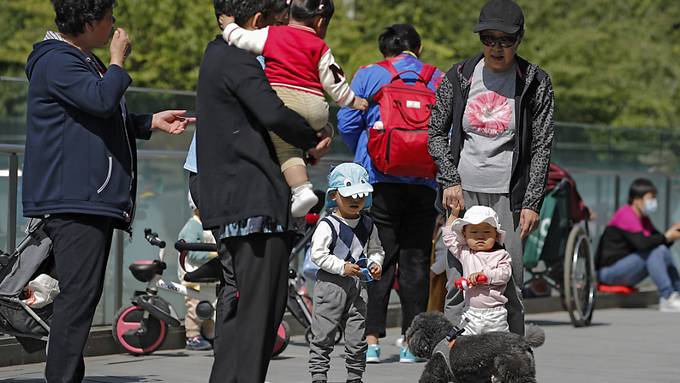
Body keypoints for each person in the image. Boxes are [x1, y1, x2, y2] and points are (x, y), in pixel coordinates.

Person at [22, 1, 192, 381]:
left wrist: (150, 122)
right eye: (108, 18)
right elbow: (101, 101)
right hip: (74, 199)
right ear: (88, 22)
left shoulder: (78, 60)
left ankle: (67, 375)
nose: (114, 24)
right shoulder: (57, 61)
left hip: (86, 198)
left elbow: (99, 116)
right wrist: (118, 60)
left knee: (80, 296)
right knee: (78, 298)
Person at [195, 0, 331, 381]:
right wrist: (310, 139)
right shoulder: (237, 59)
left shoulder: (217, 55)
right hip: (253, 203)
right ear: (257, 21)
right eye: (277, 24)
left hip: (236, 202)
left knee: (245, 314)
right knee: (261, 315)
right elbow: (272, 112)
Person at [428, 0, 555, 336]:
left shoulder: (534, 81)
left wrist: (531, 202)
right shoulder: (459, 76)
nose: (496, 48)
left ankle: (512, 361)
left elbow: (542, 145)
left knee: (510, 285)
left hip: (509, 196)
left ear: (520, 39)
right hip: (463, 193)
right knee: (458, 282)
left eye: (506, 40)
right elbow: (435, 132)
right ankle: (454, 359)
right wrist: (450, 179)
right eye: (488, 39)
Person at [337, 23, 444, 364]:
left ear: (385, 50)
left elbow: (347, 123)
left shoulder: (370, 75)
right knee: (415, 261)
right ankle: (412, 345)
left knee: (377, 257)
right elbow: (449, 130)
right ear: (419, 48)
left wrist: (367, 154)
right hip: (425, 182)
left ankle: (370, 342)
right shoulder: (437, 78)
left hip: (379, 181)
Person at [220, 0, 368, 218]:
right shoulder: (321, 47)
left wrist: (229, 26)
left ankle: (301, 189)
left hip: (285, 101)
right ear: (319, 22)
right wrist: (353, 101)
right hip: (316, 105)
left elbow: (242, 39)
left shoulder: (272, 34)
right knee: (318, 127)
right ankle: (314, 144)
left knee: (286, 147)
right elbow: (334, 82)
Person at [308, 163, 384, 383]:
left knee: (357, 336)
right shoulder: (328, 224)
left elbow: (376, 249)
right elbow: (318, 255)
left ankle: (355, 377)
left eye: (361, 195)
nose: (355, 200)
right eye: (349, 195)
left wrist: (375, 263)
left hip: (359, 286)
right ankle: (319, 376)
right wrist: (342, 267)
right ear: (334, 195)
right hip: (331, 285)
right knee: (323, 334)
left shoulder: (369, 224)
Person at [596, 179, 680, 312]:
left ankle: (677, 292)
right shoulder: (625, 215)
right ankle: (667, 296)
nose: (654, 202)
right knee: (655, 251)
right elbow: (642, 244)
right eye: (650, 198)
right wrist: (666, 237)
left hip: (627, 270)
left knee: (662, 250)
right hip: (608, 272)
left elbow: (659, 240)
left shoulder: (644, 219)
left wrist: (672, 235)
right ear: (636, 199)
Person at [440, 205, 512, 334]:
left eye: (487, 232)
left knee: (498, 345)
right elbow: (448, 236)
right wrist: (454, 214)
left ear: (496, 234)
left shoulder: (501, 254)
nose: (480, 237)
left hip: (495, 314)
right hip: (471, 313)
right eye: (474, 232)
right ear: (464, 234)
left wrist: (486, 276)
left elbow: (505, 274)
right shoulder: (465, 253)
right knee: (467, 344)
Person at [178, 193, 218, 351]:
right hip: (194, 277)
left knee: (209, 308)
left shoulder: (207, 225)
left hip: (207, 278)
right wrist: (214, 254)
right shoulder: (193, 226)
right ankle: (192, 336)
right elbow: (192, 252)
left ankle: (211, 335)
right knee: (195, 308)